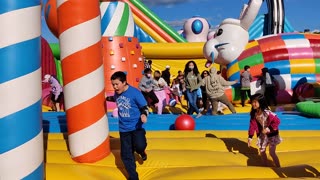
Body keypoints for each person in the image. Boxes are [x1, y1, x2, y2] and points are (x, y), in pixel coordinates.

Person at [106, 71, 148, 180]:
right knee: (125, 154)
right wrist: (105, 98)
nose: (114, 87)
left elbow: (144, 106)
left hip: (136, 127)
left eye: (116, 84)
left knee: (139, 146)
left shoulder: (135, 93)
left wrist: (143, 115)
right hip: (124, 128)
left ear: (124, 82)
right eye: (113, 84)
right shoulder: (117, 93)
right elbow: (115, 99)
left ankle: (141, 151)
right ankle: (133, 177)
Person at [247, 93, 281, 167]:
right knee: (262, 151)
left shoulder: (267, 113)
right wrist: (250, 137)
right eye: (252, 102)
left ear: (261, 102)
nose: (253, 104)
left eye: (255, 102)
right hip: (263, 135)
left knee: (272, 153)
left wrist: (269, 129)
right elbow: (252, 125)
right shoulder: (254, 113)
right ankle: (265, 166)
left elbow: (277, 121)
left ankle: (279, 167)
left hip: (272, 134)